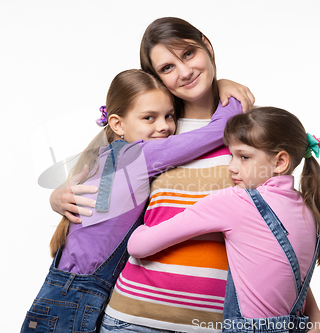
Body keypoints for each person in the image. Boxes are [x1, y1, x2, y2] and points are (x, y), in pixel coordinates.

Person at [53, 17, 320, 333]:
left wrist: (309, 308)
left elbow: (275, 229)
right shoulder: (155, 131)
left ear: (206, 46)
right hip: (131, 319)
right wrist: (58, 196)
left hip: (215, 325)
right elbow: (98, 186)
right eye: (167, 68)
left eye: (188, 54)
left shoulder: (249, 132)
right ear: (157, 79)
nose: (184, 72)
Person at [20, 69, 243, 333]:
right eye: (149, 118)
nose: (164, 126)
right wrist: (227, 93)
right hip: (78, 298)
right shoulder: (139, 155)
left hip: (63, 291)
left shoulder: (104, 155)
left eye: (169, 116)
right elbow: (213, 133)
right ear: (117, 124)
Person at [127, 107, 320, 332]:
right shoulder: (308, 208)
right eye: (231, 156)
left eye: (244, 157)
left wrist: (137, 224)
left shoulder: (237, 201)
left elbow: (138, 246)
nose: (231, 167)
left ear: (279, 162)